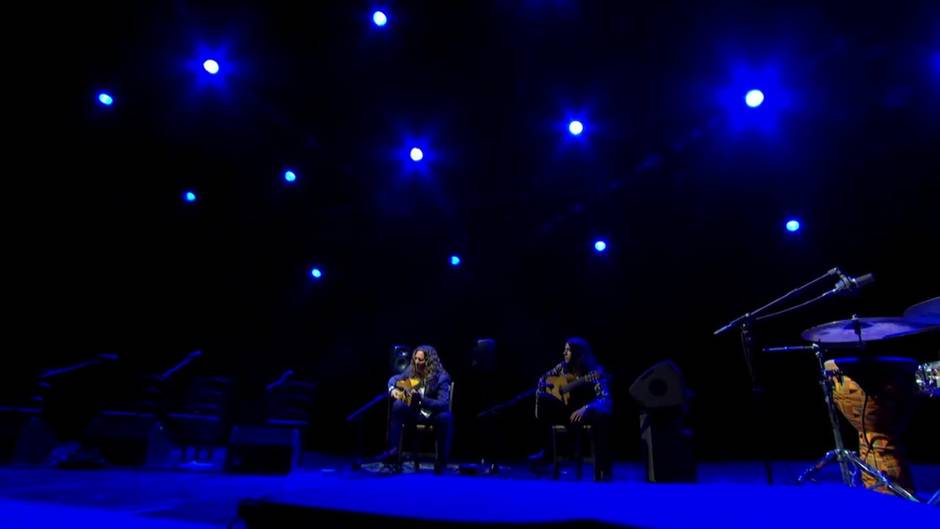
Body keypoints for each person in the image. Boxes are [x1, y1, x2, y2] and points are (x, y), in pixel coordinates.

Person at [529, 337, 613, 480]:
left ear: (579, 354)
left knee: (602, 417)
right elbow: (543, 378)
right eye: (565, 349)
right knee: (542, 398)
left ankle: (602, 468)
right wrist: (547, 386)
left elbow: (605, 399)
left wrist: (586, 408)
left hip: (587, 413)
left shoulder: (594, 372)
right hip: (566, 411)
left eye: (568, 350)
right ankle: (550, 451)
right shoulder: (562, 367)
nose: (564, 353)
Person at [375, 345, 453, 473]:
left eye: (420, 360)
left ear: (429, 361)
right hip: (415, 412)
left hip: (431, 414)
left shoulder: (442, 377)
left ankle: (441, 462)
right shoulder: (412, 371)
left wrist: (422, 400)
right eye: (415, 359)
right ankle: (392, 458)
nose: (417, 362)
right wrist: (393, 389)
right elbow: (394, 379)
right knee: (398, 406)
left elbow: (443, 403)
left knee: (446, 417)